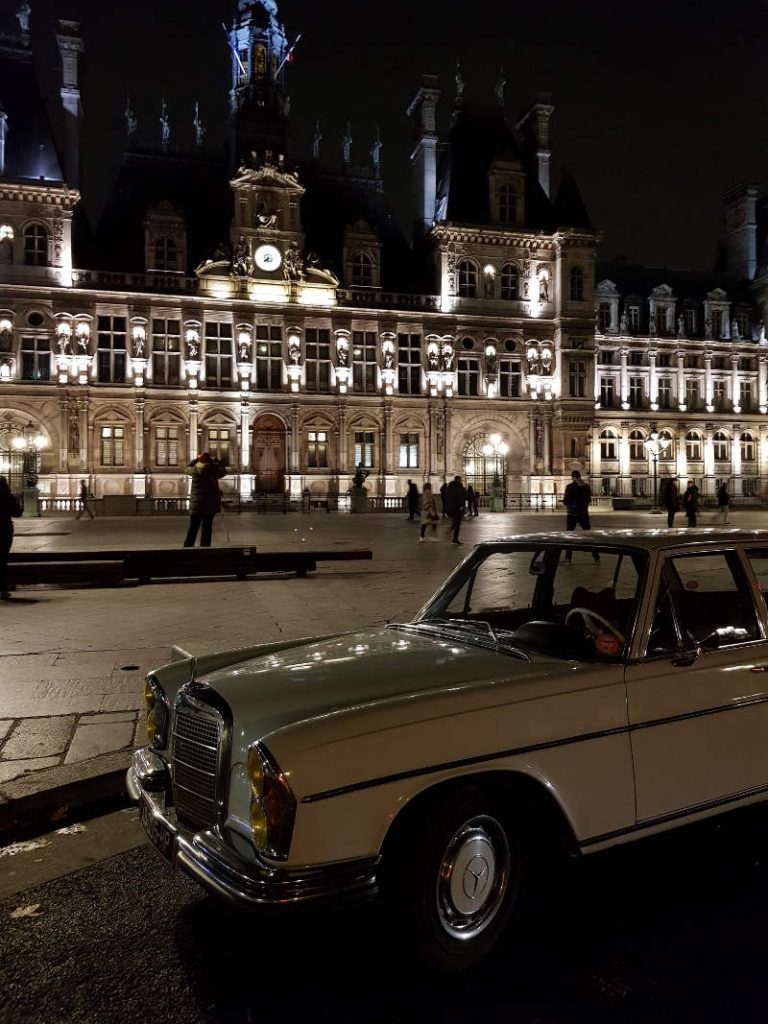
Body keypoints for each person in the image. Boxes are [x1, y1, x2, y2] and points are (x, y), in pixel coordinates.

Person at [183, 452, 227, 547]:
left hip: (196, 504)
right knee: (207, 527)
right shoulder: (213, 470)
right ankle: (205, 546)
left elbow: (186, 468)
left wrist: (196, 459)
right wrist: (216, 460)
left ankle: (188, 546)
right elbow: (224, 471)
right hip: (209, 505)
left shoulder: (194, 470)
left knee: (193, 527)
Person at [563, 469, 599, 562]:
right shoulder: (586, 486)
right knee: (589, 535)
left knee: (569, 535)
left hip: (572, 514)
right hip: (583, 513)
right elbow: (589, 499)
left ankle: (568, 557)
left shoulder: (569, 487)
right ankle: (596, 557)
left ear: (572, 477)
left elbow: (566, 500)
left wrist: (569, 505)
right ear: (580, 476)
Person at [0, 476, 22, 600]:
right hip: (4, 530)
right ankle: (3, 590)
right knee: (2, 560)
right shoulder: (7, 496)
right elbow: (17, 512)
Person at [444, 475, 467, 544]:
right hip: (458, 507)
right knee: (457, 524)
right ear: (458, 480)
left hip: (450, 507)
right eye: (460, 480)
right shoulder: (459, 486)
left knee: (454, 521)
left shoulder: (449, 486)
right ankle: (455, 538)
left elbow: (446, 496)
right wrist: (462, 505)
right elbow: (462, 496)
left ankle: (451, 530)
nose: (461, 481)